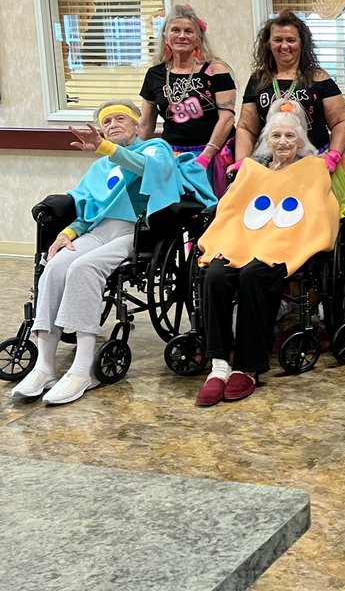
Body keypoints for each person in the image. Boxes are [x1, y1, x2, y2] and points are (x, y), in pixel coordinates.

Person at [10, 101, 215, 406]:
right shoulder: (99, 166)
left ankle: (81, 369)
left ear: (136, 125)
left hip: (138, 233)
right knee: (55, 266)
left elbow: (149, 170)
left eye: (121, 118)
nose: (113, 124)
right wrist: (66, 234)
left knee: (84, 269)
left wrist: (105, 146)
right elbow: (87, 211)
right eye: (107, 122)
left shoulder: (155, 147)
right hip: (99, 231)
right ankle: (45, 366)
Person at [194, 101, 340, 405]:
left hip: (283, 246)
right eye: (276, 136)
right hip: (241, 242)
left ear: (300, 141)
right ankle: (219, 365)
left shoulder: (313, 168)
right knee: (216, 275)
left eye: (290, 136)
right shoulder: (251, 170)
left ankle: (248, 368)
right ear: (266, 141)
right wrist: (225, 241)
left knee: (253, 275)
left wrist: (292, 245)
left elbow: (317, 212)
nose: (283, 142)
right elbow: (230, 211)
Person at [234, 11, 345, 213]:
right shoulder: (258, 80)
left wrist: (334, 156)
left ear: (302, 44)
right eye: (278, 40)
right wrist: (242, 163)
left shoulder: (318, 77)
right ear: (268, 44)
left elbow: (340, 122)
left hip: (317, 165)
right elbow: (247, 127)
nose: (284, 46)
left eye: (291, 40)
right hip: (271, 166)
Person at [139, 4, 237, 195]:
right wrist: (131, 153)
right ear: (166, 37)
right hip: (171, 156)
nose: (182, 36)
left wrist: (205, 157)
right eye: (175, 30)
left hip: (213, 154)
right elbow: (145, 125)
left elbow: (227, 119)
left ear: (198, 39)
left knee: (211, 212)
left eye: (189, 31)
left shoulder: (216, 69)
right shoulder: (155, 74)